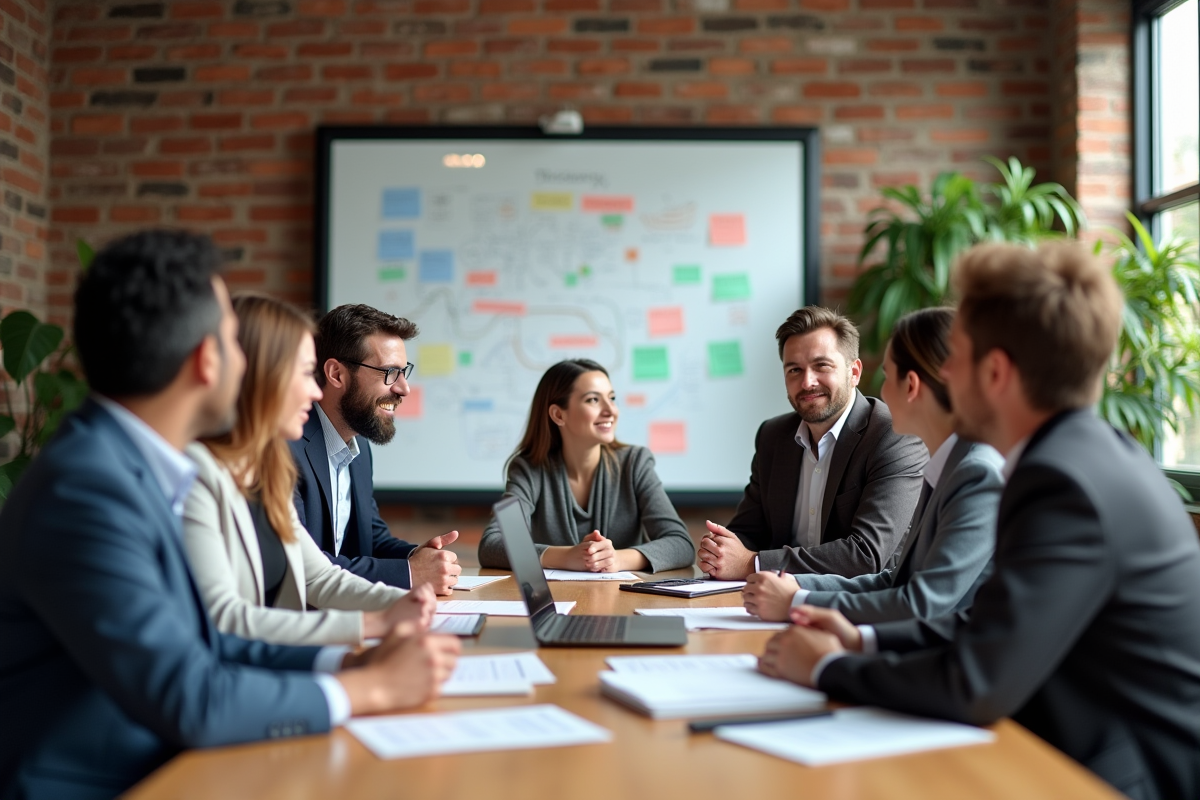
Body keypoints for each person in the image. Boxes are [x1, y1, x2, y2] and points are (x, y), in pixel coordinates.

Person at [0, 231, 459, 800]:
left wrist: (348, 660)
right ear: (206, 359)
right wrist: (370, 688)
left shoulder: (136, 465)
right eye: (235, 341)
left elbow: (209, 641)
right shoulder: (88, 487)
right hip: (110, 780)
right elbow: (191, 694)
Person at [758, 243, 1200, 800]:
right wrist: (864, 641)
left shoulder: (1061, 482)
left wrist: (828, 669)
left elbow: (977, 681)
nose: (942, 372)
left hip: (1114, 776)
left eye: (956, 355)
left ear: (994, 372)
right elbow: (987, 626)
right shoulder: (1074, 456)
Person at [183, 293, 435, 647]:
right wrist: (375, 623)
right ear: (257, 377)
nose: (313, 388)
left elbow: (317, 576)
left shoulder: (264, 466)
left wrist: (407, 603)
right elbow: (225, 620)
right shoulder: (196, 473)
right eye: (304, 373)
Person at [742, 307, 1004, 624]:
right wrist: (794, 588)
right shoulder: (949, 466)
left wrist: (797, 600)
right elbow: (896, 581)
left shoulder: (976, 472)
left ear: (911, 386)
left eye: (887, 376)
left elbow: (922, 603)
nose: (879, 393)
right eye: (794, 370)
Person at [699, 306, 927, 580]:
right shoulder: (773, 436)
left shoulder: (893, 436)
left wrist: (753, 563)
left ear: (853, 372)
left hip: (858, 608)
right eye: (794, 369)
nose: (807, 382)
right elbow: (749, 532)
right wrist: (720, 550)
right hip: (770, 603)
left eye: (822, 366)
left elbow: (867, 555)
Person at [290, 304, 460, 595]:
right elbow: (305, 567)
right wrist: (410, 573)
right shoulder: (287, 449)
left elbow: (372, 539)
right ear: (336, 374)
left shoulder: (359, 449)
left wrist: (420, 557)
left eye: (404, 372)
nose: (404, 388)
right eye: (390, 372)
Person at [477, 359, 695, 572]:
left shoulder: (634, 463)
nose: (611, 410)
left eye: (612, 398)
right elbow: (492, 545)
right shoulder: (529, 469)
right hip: (558, 603)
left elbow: (681, 544)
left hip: (623, 604)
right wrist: (566, 556)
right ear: (558, 414)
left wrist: (617, 559)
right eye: (593, 400)